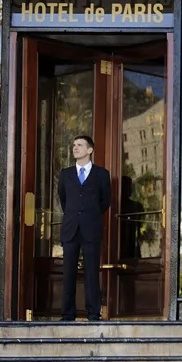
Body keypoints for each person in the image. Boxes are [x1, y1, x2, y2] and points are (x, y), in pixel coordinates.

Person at [58, 135, 110, 321]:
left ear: (90, 150)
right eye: (73, 145)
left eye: (80, 145)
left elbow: (105, 201)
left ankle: (93, 313)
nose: (75, 148)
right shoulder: (65, 174)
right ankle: (67, 313)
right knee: (69, 273)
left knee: (91, 272)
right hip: (70, 229)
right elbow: (64, 200)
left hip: (91, 229)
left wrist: (90, 215)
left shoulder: (102, 174)